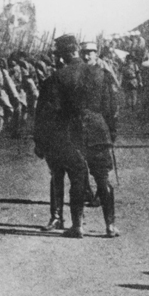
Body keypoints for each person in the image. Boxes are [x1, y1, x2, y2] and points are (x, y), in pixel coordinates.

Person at [34, 36, 119, 239]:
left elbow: (48, 112)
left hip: (71, 132)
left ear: (63, 55)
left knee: (77, 179)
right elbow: (111, 108)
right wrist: (111, 133)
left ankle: (78, 226)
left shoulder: (57, 77)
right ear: (77, 51)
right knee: (102, 178)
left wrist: (41, 140)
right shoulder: (101, 73)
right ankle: (110, 226)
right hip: (99, 129)